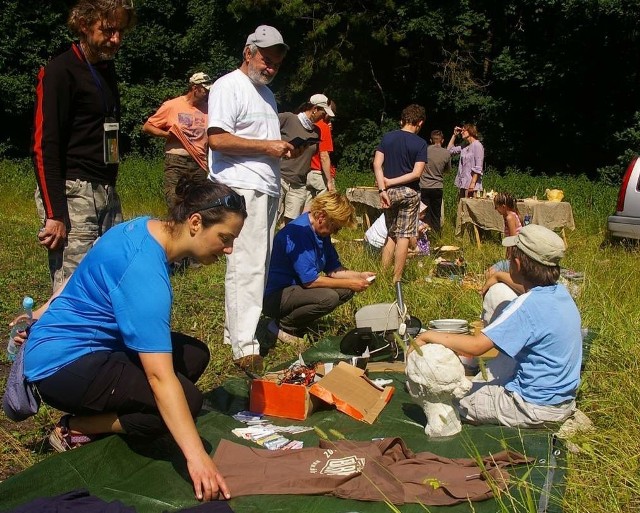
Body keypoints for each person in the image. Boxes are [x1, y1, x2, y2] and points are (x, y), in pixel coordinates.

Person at [22, 178, 245, 502]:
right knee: (186, 400)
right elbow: (158, 377)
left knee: (195, 355)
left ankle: (119, 414)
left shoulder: (143, 228)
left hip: (87, 343)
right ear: (195, 223)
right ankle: (76, 427)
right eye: (225, 238)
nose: (228, 249)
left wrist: (43, 310)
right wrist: (197, 458)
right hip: (61, 366)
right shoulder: (146, 275)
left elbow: (87, 269)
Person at [412, 224, 582, 428]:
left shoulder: (525, 306)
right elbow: (527, 288)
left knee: (452, 397)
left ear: (516, 264)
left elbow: (477, 346)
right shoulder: (562, 294)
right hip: (563, 401)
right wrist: (500, 276)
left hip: (530, 407)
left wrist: (429, 335)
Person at [32, 0, 136, 293]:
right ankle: (53, 338)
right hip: (73, 192)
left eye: (121, 32)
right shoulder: (59, 71)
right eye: (108, 30)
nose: (115, 39)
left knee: (113, 278)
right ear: (83, 24)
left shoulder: (105, 69)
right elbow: (44, 147)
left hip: (105, 190)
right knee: (74, 287)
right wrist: (55, 214)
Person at [206, 25, 291, 372]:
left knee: (257, 264)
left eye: (275, 63)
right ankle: (245, 346)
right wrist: (267, 147)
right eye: (265, 59)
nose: (270, 67)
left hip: (265, 188)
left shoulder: (266, 95)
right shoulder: (229, 86)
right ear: (248, 53)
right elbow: (216, 139)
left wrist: (277, 150)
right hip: (241, 187)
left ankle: (236, 334)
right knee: (248, 265)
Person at [263, 192, 375, 344]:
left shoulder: (321, 233)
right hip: (276, 295)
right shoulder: (299, 232)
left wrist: (358, 276)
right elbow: (311, 281)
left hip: (296, 290)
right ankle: (283, 326)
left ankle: (300, 322)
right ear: (322, 217)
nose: (336, 232)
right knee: (329, 298)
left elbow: (333, 269)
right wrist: (349, 282)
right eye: (335, 227)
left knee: (347, 290)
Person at [373, 104, 427, 283]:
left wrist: (383, 188)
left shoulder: (388, 137)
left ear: (403, 119)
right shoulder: (420, 143)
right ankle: (396, 279)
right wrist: (391, 182)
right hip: (409, 193)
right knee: (403, 235)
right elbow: (416, 173)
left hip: (388, 194)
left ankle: (382, 275)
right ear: (419, 122)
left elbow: (377, 164)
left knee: (391, 234)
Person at [143, 72, 213, 207]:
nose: (207, 93)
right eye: (204, 90)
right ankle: (175, 227)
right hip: (176, 160)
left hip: (199, 162)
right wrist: (167, 135)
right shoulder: (172, 105)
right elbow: (147, 126)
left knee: (198, 202)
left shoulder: (209, 109)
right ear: (194, 88)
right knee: (175, 200)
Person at [278, 94, 334, 224]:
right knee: (271, 218)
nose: (324, 116)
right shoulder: (288, 118)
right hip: (280, 178)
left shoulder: (317, 132)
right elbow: (265, 129)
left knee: (292, 223)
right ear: (314, 109)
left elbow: (323, 155)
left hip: (299, 183)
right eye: (323, 112)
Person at [305, 98, 337, 207]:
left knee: (307, 209)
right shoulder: (323, 127)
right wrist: (329, 181)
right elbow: (324, 156)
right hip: (319, 174)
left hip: (306, 173)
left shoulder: (307, 125)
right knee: (325, 208)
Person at [364, 203, 430, 255]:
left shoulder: (397, 212)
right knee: (410, 252)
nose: (424, 214)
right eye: (422, 212)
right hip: (377, 246)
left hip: (369, 240)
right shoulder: (406, 220)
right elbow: (412, 243)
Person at [420, 130, 451, 234]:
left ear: (430, 140)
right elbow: (447, 170)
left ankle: (424, 237)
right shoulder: (446, 153)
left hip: (424, 186)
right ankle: (436, 236)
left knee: (424, 214)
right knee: (436, 215)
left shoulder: (424, 150)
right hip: (437, 187)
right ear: (442, 141)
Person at [486, 192, 523, 277]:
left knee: (488, 274)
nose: (495, 209)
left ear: (503, 207)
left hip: (517, 256)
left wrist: (510, 259)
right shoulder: (509, 215)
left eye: (496, 207)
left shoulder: (510, 217)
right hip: (515, 254)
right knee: (490, 271)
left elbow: (513, 240)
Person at [447, 123, 484, 199]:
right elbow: (449, 151)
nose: (461, 132)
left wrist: (472, 184)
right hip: (463, 184)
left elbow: (478, 167)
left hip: (472, 186)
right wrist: (454, 135)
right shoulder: (464, 145)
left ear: (470, 131)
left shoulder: (477, 145)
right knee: (461, 209)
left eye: (464, 130)